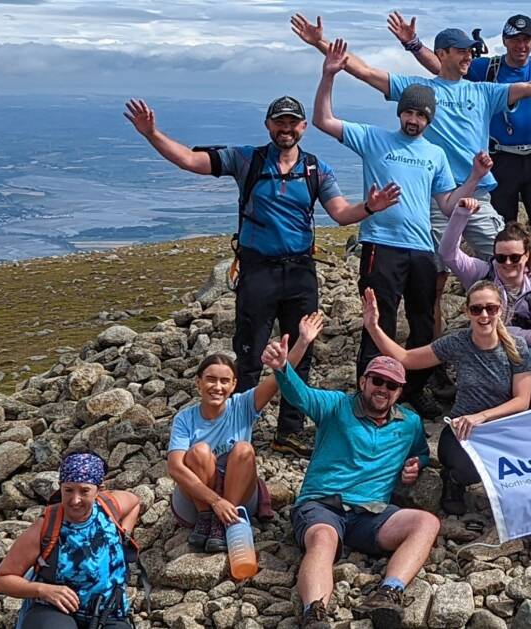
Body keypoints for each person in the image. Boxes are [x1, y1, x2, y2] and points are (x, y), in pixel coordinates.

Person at [123, 97, 388, 457]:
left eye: (293, 123)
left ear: (303, 128)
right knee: (248, 354)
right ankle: (235, 431)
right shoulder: (246, 159)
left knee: (301, 352)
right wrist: (152, 133)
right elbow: (190, 159)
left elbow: (341, 213)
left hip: (300, 272)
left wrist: (370, 207)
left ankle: (288, 432)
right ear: (268, 125)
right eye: (280, 122)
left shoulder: (316, 170)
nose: (286, 128)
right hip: (257, 270)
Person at [292, 16, 531, 258]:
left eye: (470, 51)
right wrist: (321, 44)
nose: (469, 56)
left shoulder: (483, 91)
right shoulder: (418, 91)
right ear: (442, 54)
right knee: (436, 273)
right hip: (434, 199)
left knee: (505, 257)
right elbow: (365, 71)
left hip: (478, 194)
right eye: (461, 51)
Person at [311, 45, 480, 410]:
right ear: (400, 111)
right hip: (379, 246)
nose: (414, 119)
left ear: (429, 119)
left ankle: (411, 395)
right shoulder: (374, 138)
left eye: (421, 114)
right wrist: (329, 75)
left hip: (420, 250)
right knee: (378, 322)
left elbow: (447, 204)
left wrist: (475, 179)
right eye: (409, 111)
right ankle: (368, 397)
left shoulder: (434, 155)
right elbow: (323, 120)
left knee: (422, 324)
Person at [384, 4, 531, 263]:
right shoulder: (486, 68)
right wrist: (413, 44)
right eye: (515, 40)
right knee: (503, 230)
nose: (521, 45)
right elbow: (442, 67)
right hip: (499, 159)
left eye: (526, 39)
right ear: (504, 41)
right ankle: (499, 282)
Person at [269, 343, 436, 629]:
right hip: (322, 503)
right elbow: (301, 395)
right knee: (323, 538)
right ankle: (314, 613)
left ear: (400, 392)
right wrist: (283, 366)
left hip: (371, 512)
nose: (383, 388)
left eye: (392, 385)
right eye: (378, 381)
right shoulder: (336, 405)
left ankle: (389, 593)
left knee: (427, 522)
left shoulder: (410, 423)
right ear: (363, 381)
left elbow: (421, 452)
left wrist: (416, 465)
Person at [362, 282, 531, 518]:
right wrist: (373, 327)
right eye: (476, 309)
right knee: (469, 470)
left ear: (500, 309)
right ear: (467, 312)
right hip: (461, 431)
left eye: (490, 309)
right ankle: (453, 480)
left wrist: (482, 417)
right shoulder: (457, 343)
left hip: (500, 430)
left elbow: (522, 400)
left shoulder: (517, 347)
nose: (484, 315)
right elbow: (407, 358)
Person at [166, 314, 317, 553]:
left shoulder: (243, 405)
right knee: (199, 452)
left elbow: (277, 378)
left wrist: (303, 342)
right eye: (211, 380)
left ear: (234, 385)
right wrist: (215, 501)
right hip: (198, 501)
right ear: (198, 383)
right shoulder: (185, 418)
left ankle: (223, 523)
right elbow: (175, 468)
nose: (217, 387)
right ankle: (208, 519)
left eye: (224, 381)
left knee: (244, 449)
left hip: (238, 494)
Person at [0, 452, 144, 629]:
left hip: (108, 613)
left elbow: (135, 503)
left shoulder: (109, 506)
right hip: (54, 610)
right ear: (60, 487)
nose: (75, 500)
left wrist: (122, 536)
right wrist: (43, 591)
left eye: (84, 491)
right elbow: (2, 580)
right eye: (68, 490)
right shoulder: (46, 527)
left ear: (99, 489)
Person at [437, 153, 531, 358]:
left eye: (514, 258)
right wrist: (461, 215)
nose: (506, 263)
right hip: (487, 352)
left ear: (527, 257)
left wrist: (502, 332)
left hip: (523, 357)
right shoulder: (482, 274)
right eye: (500, 257)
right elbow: (448, 253)